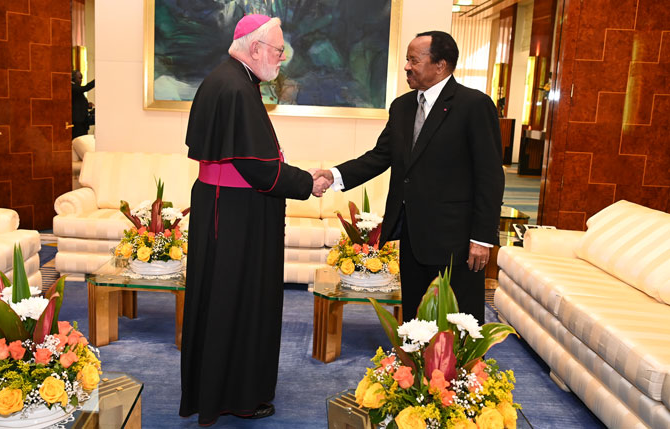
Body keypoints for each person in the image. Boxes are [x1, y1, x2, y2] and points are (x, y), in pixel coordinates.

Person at [180, 15, 321, 426]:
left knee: (220, 300)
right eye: (278, 51)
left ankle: (215, 389)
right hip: (238, 217)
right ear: (256, 47)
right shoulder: (238, 88)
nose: (281, 59)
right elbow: (259, 167)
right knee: (238, 301)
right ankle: (237, 395)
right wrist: (306, 182)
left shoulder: (225, 79)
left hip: (226, 208)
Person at [313, 31, 504, 325]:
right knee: (415, 320)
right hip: (413, 236)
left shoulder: (473, 105)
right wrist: (334, 175)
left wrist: (482, 238)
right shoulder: (402, 107)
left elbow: (490, 176)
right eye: (407, 60)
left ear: (440, 65)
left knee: (456, 322)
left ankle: (458, 373)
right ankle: (412, 370)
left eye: (414, 60)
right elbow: (379, 157)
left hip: (456, 240)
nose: (406, 67)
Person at [71, 70, 95, 138]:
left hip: (82, 123)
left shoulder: (76, 88)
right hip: (78, 124)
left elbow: (77, 103)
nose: (81, 80)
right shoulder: (72, 87)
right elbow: (85, 88)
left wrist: (87, 105)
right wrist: (96, 81)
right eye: (79, 78)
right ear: (73, 78)